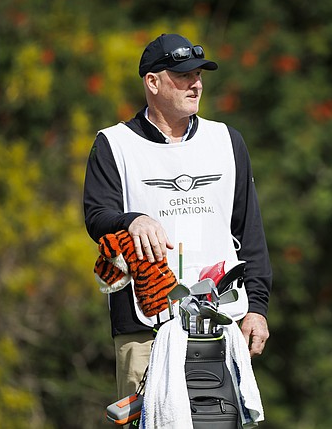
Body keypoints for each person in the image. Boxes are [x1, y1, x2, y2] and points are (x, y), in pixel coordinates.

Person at [84, 32, 272, 402]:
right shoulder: (113, 143)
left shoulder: (227, 140)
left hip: (223, 321)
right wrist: (131, 220)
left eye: (199, 75)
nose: (196, 83)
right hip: (145, 326)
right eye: (183, 75)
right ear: (152, 82)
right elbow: (96, 215)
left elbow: (249, 232)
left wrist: (258, 308)